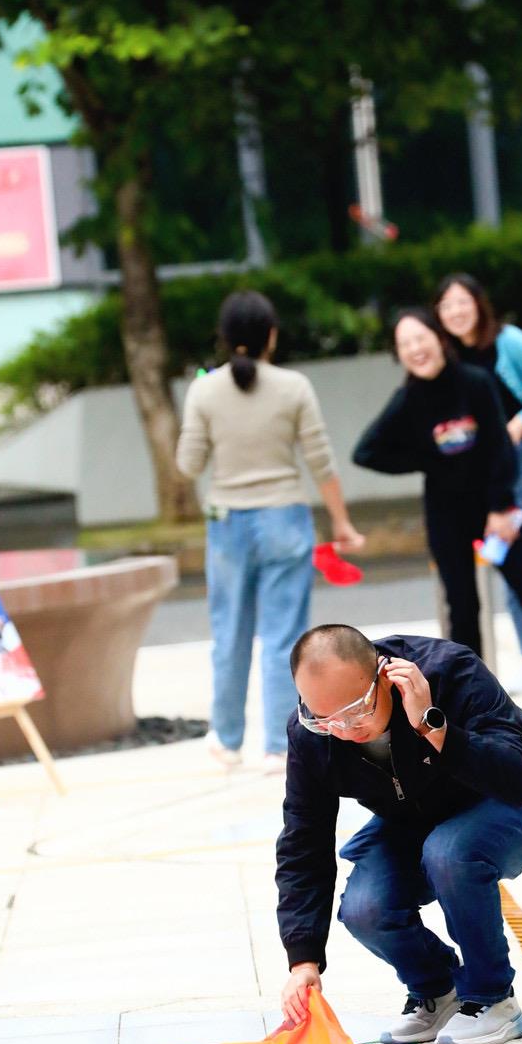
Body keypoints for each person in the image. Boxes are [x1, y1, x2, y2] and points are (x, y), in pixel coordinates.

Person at [276, 624, 522, 1044]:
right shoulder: (310, 734)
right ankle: (438, 990)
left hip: (515, 801)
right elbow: (304, 839)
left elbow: (516, 777)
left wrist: (432, 726)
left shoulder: (449, 669)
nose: (345, 729)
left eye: (357, 711)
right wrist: (303, 959)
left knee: (449, 852)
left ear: (385, 674)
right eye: (325, 719)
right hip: (415, 818)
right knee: (365, 908)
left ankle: (493, 999)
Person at [177, 290, 365, 771]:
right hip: (285, 517)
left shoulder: (204, 391)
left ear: (223, 338)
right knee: (284, 636)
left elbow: (188, 464)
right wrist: (341, 521)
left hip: (227, 523)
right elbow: (321, 461)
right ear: (272, 337)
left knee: (229, 633)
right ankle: (278, 746)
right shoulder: (294, 386)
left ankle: (227, 740)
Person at [352, 308, 522, 681]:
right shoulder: (407, 398)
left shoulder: (475, 382)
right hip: (446, 513)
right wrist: (426, 457)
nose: (415, 349)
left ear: (439, 338)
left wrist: (501, 506)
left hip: (494, 508)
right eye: (405, 344)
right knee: (462, 606)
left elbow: (500, 447)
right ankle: (473, 692)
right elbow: (366, 452)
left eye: (421, 338)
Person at [434, 274, 522, 694]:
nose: (456, 312)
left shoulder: (509, 341)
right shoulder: (446, 357)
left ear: (478, 302)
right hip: (494, 470)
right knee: (511, 560)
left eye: (462, 301)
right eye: (447, 305)